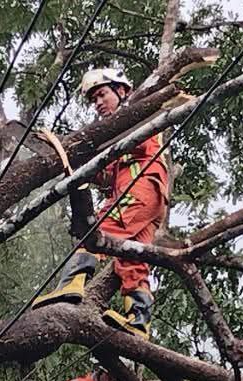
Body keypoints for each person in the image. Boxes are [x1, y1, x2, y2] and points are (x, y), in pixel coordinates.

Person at [32, 68, 169, 341]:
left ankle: (72, 283)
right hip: (149, 198)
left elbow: (135, 145)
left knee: (94, 230)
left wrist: (87, 147)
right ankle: (139, 322)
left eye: (102, 94)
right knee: (132, 259)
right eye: (93, 99)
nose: (98, 102)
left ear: (121, 90)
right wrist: (82, 166)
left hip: (141, 188)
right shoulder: (118, 132)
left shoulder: (135, 114)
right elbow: (108, 176)